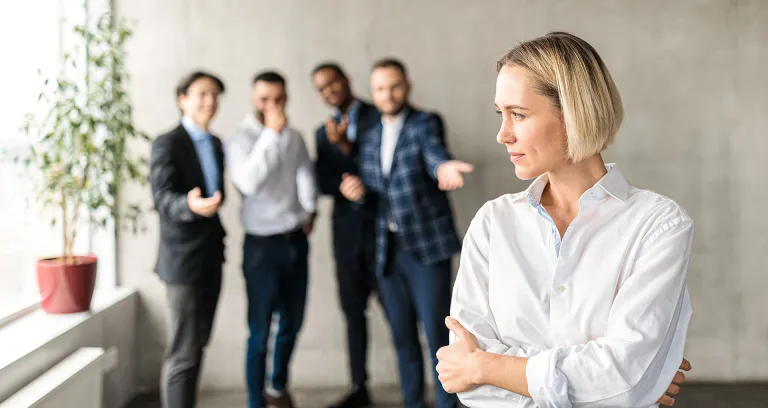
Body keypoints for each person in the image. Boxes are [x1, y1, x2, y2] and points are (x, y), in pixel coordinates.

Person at [436, 32, 694, 408]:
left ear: (573, 112)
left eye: (518, 115)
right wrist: (611, 387)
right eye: (501, 114)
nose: (502, 134)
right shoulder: (493, 223)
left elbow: (624, 379)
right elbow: (469, 383)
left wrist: (487, 367)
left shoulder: (659, 225)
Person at [340, 58, 473, 408]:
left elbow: (433, 153)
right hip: (387, 251)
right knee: (402, 339)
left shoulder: (425, 123)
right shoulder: (368, 136)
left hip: (426, 250)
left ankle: (448, 405)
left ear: (407, 86)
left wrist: (443, 166)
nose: (388, 94)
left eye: (394, 86)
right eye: (381, 88)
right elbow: (373, 189)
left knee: (438, 339)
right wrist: (357, 192)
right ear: (372, 92)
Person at [226, 71, 317, 408]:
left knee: (292, 322)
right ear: (253, 99)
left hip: (295, 240)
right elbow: (248, 182)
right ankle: (255, 400)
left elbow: (305, 176)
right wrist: (270, 135)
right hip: (261, 246)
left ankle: (277, 387)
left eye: (279, 99)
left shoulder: (295, 137)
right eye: (265, 99)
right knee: (260, 330)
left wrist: (309, 213)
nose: (272, 105)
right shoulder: (240, 140)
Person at [150, 71, 227, 408]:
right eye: (201, 94)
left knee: (197, 345)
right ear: (182, 99)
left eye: (214, 95)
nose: (209, 102)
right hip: (182, 261)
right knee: (183, 351)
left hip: (211, 255)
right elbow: (162, 197)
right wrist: (189, 205)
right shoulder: (167, 143)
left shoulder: (216, 143)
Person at [311, 62, 380, 408]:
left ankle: (426, 387)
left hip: (383, 231)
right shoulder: (322, 133)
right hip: (346, 237)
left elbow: (382, 166)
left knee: (400, 315)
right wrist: (342, 174)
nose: (329, 91)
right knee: (353, 313)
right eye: (322, 89)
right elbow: (321, 182)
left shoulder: (378, 115)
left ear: (346, 80)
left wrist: (347, 152)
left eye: (333, 83)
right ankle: (358, 387)